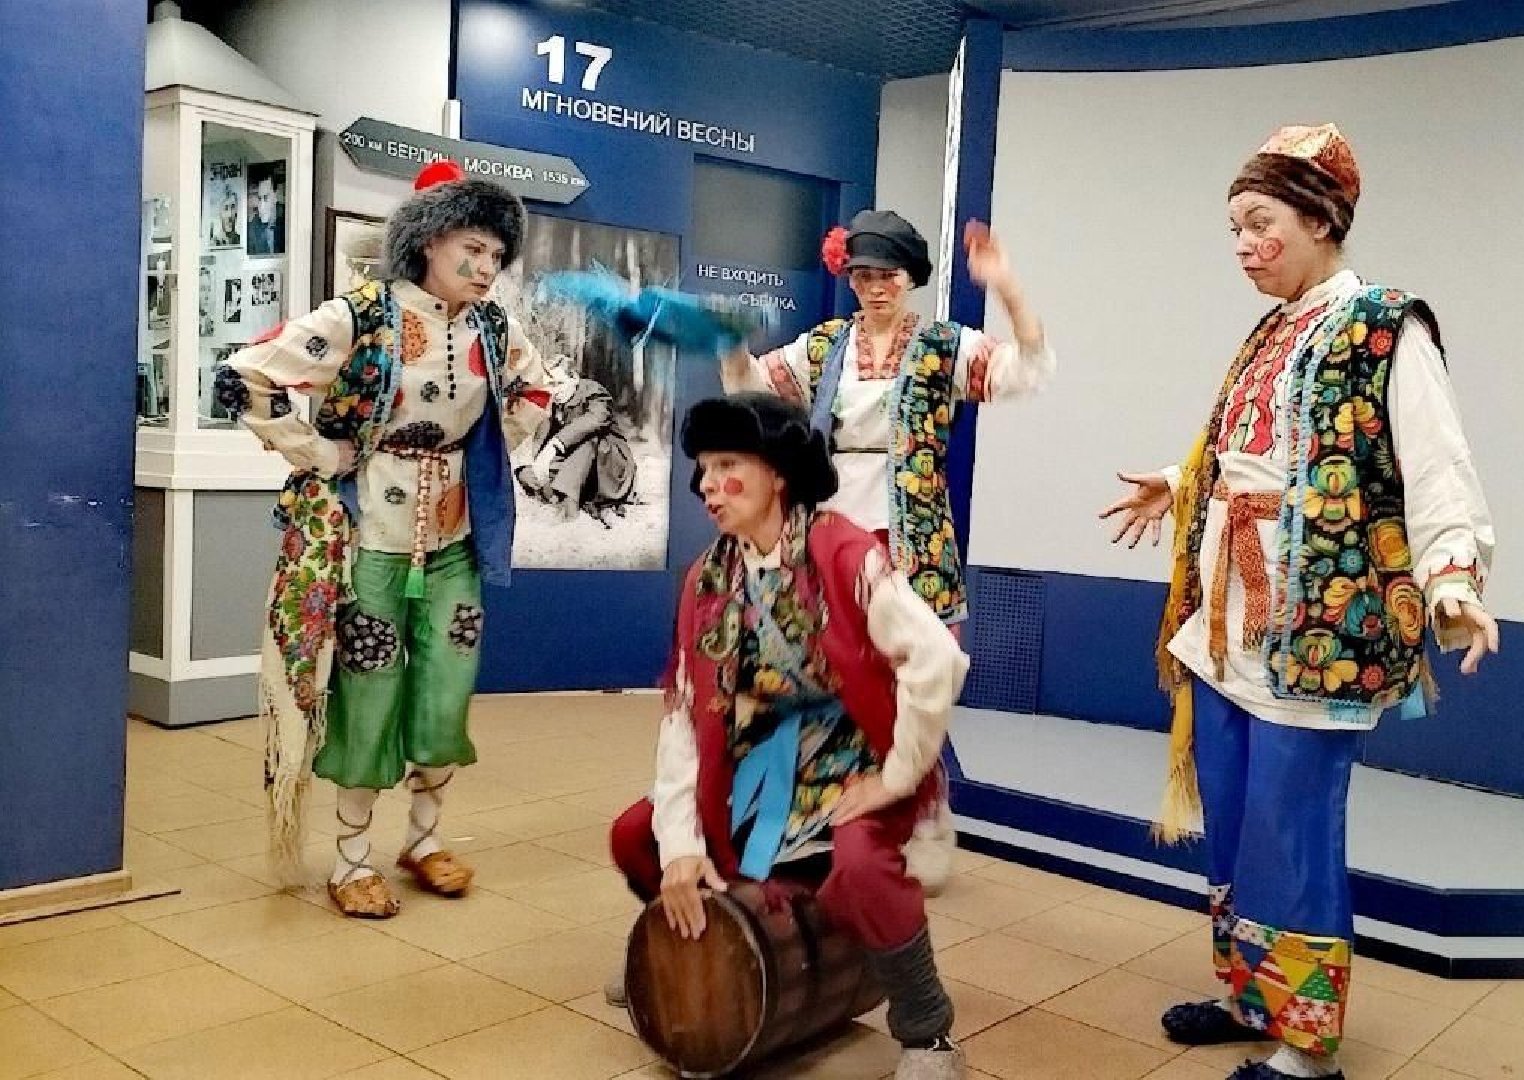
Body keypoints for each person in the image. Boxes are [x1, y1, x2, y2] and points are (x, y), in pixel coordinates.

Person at [1100, 124, 1499, 1080]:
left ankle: (1310, 1049)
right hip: (1230, 626)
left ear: (1320, 219)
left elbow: (1436, 468)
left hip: (1319, 628)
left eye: (1259, 223)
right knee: (1236, 823)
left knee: (1293, 830)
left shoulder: (1386, 326)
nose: (1243, 246)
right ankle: (1252, 996)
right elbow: (1253, 454)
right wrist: (1178, 483)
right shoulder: (1271, 330)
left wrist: (1452, 581)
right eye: (1234, 228)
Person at [220, 160, 555, 918]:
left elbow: (537, 389)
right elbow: (243, 376)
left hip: (455, 539)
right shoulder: (360, 317)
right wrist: (320, 452)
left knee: (446, 690)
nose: (487, 267)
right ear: (429, 241)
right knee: (368, 689)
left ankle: (425, 840)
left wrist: (494, 448)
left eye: (497, 254)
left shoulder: (494, 328)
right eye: (473, 248)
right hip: (368, 536)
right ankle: (351, 858)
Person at [608, 392, 970, 1080]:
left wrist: (896, 776)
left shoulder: (845, 554)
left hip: (855, 757)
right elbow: (685, 711)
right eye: (703, 469)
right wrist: (680, 848)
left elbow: (936, 660)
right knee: (636, 834)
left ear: (777, 473)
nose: (708, 485)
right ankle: (680, 948)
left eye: (727, 465)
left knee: (861, 864)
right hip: (758, 765)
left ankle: (928, 1031)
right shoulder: (708, 580)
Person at [722, 209, 1054, 628]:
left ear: (910, 277)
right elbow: (753, 394)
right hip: (831, 523)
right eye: (864, 277)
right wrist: (731, 345)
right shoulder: (824, 346)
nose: (876, 289)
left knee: (911, 650)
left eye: (889, 276)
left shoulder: (942, 345)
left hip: (914, 535)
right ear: (850, 280)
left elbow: (1026, 369)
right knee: (831, 643)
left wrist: (1006, 285)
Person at [514, 355, 638, 525]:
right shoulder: (558, 400)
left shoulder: (595, 392)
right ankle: (556, 493)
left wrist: (556, 443)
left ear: (574, 378)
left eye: (559, 383)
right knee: (526, 473)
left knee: (589, 440)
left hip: (609, 467)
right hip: (577, 466)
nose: (555, 391)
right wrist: (539, 460)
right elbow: (546, 434)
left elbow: (595, 419)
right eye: (550, 384)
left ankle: (569, 506)